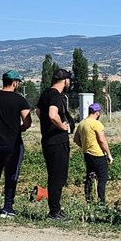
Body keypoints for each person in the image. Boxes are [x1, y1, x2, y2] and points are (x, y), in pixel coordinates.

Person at [0, 70, 32, 217]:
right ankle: (7, 208)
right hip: (13, 144)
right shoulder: (20, 100)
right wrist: (20, 128)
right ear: (14, 83)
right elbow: (27, 122)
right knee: (11, 175)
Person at [37, 68, 73, 220]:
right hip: (57, 142)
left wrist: (46, 125)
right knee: (58, 177)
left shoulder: (46, 93)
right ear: (65, 80)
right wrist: (61, 126)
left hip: (48, 140)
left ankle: (55, 208)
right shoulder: (55, 96)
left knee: (54, 175)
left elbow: (38, 111)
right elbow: (52, 114)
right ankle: (54, 212)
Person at [74, 102, 113, 205]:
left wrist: (85, 147)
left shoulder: (82, 123)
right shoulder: (96, 124)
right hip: (98, 155)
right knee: (102, 178)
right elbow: (102, 141)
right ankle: (101, 203)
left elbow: (76, 139)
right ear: (97, 113)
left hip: (87, 154)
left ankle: (88, 200)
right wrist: (108, 154)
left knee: (89, 177)